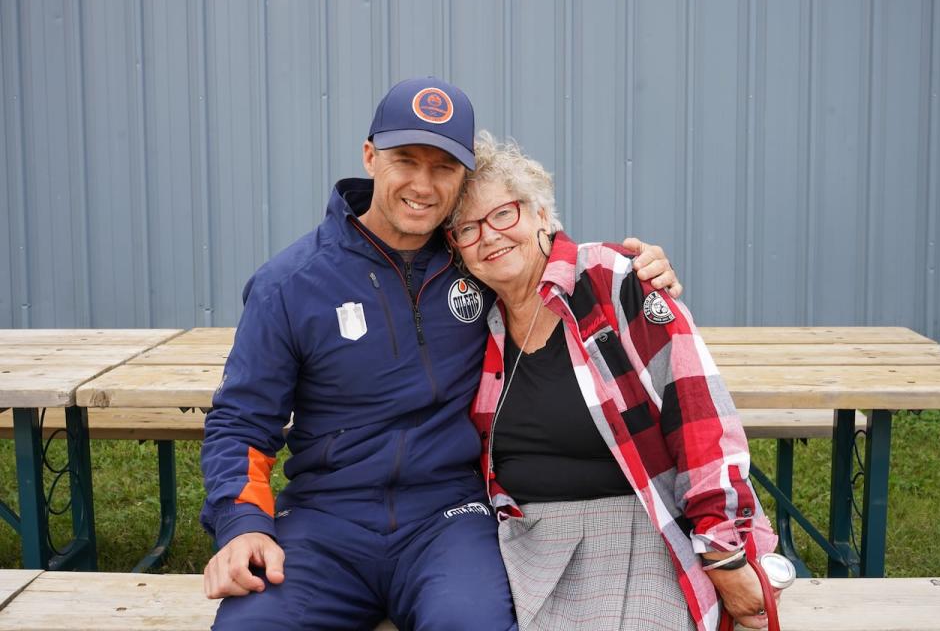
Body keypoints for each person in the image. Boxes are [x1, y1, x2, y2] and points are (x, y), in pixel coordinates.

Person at [199, 77, 681, 630]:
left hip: (449, 517)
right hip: (325, 521)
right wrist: (244, 526)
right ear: (370, 157)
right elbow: (241, 422)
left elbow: (552, 259)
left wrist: (633, 267)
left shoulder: (476, 258)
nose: (423, 185)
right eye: (406, 160)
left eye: (444, 168)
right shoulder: (290, 283)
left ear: (462, 177)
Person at [449, 131, 778, 631]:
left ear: (541, 214)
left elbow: (699, 417)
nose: (489, 236)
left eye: (503, 214)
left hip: (639, 526)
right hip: (527, 541)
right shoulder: (471, 318)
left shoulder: (615, 280)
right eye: (467, 229)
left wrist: (723, 552)